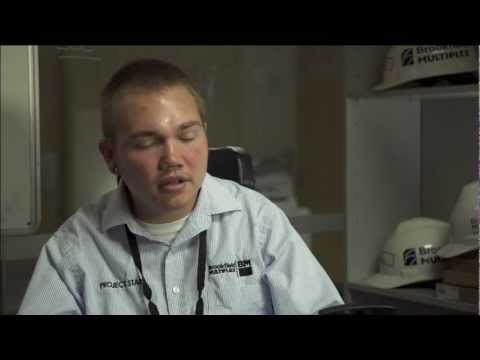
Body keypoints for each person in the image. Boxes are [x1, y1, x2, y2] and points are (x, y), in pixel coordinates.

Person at [18, 59, 344, 315]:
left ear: (205, 134)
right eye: (147, 143)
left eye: (187, 136)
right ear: (110, 156)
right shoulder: (74, 249)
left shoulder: (258, 223)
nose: (172, 158)